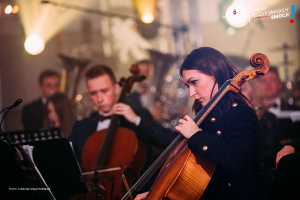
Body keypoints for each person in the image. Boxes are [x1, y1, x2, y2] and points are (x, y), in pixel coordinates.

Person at [135, 47, 262, 200]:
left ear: (215, 73)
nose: (191, 93)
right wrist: (154, 192)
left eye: (194, 82)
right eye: (188, 85)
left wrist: (196, 135)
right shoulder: (204, 117)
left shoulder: (241, 113)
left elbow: (237, 160)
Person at [68, 64, 176, 191]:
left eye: (104, 91)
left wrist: (137, 120)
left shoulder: (139, 116)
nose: (99, 99)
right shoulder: (81, 126)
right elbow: (65, 162)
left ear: (116, 88)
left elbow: (172, 142)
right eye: (93, 93)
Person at [241, 79, 279, 194]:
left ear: (253, 92)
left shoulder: (268, 118)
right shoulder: (237, 118)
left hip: (260, 178)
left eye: (242, 90)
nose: (237, 94)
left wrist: (240, 154)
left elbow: (270, 153)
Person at [259, 66, 300, 145]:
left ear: (280, 85)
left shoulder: (295, 110)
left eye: (273, 80)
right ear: (258, 85)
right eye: (264, 81)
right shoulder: (252, 111)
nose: (268, 84)